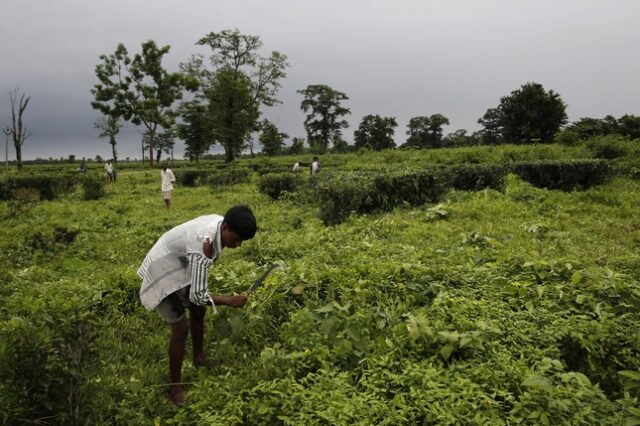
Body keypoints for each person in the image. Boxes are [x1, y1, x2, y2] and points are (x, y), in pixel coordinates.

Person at [137, 205, 257, 405]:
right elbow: (198, 295)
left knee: (198, 310)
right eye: (236, 240)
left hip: (180, 262)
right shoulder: (204, 245)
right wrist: (229, 300)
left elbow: (198, 295)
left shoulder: (219, 224)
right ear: (225, 227)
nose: (238, 246)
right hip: (162, 267)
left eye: (241, 241)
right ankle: (175, 389)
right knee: (181, 327)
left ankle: (199, 358)